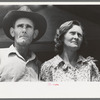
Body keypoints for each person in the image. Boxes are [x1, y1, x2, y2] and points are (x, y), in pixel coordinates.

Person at [0, 6, 47, 82]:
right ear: (12, 31)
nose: (24, 30)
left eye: (28, 27)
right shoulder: (1, 56)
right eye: (20, 26)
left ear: (35, 34)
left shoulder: (38, 65)